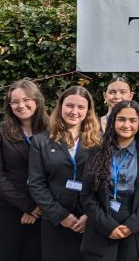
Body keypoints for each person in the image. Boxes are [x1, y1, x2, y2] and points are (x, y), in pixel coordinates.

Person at [28, 86, 103, 260]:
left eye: (80, 107)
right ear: (60, 106)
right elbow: (36, 184)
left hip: (90, 222)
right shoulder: (41, 141)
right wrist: (61, 216)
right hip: (55, 223)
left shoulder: (100, 141)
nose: (74, 111)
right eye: (69, 105)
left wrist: (89, 215)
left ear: (88, 111)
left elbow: (105, 181)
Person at [80, 101, 139, 261]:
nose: (126, 125)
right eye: (121, 119)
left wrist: (133, 225)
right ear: (113, 121)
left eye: (133, 120)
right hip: (101, 225)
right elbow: (87, 194)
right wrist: (107, 226)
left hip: (135, 228)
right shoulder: (97, 150)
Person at [0, 79, 48, 261]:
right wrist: (28, 207)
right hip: (7, 211)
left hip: (43, 212)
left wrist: (39, 207)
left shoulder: (52, 130)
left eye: (26, 99)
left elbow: (58, 173)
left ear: (37, 100)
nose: (21, 105)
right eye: (15, 101)